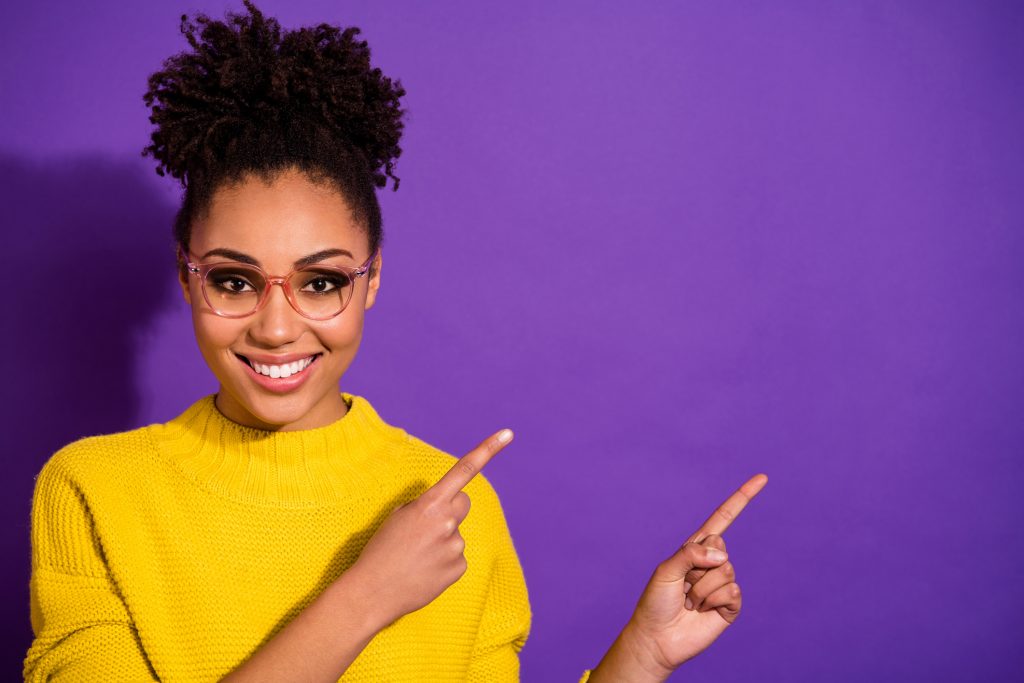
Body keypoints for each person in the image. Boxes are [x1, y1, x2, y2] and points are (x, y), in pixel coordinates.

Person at [23, 2, 767, 681]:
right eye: (234, 280)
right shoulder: (93, 492)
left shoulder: (449, 506)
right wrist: (367, 595)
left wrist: (641, 652)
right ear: (186, 279)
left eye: (320, 282)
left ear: (371, 281)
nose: (277, 326)